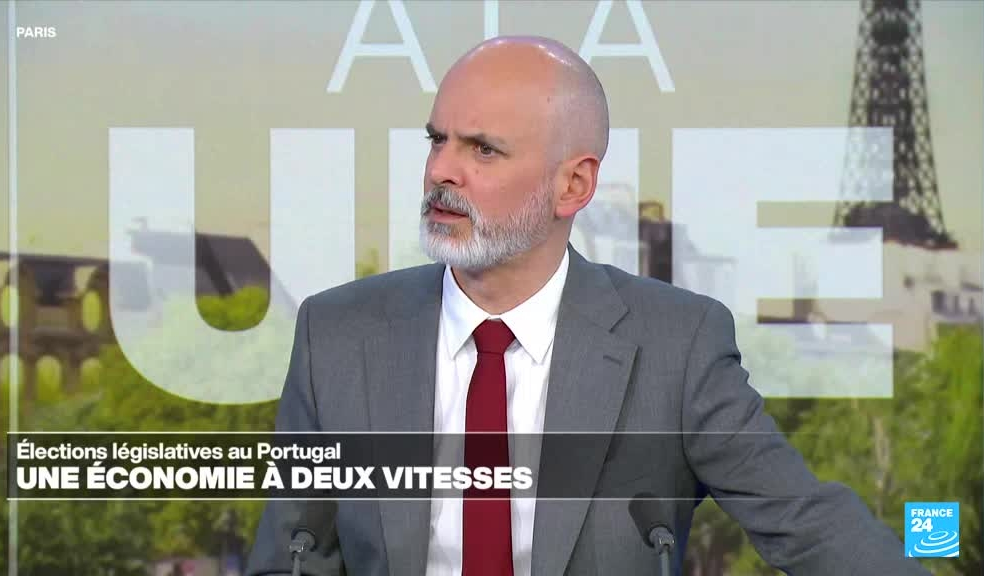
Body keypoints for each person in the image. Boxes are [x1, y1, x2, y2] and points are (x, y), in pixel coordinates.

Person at [246, 36, 929, 576]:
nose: (441, 171)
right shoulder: (338, 336)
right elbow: (292, 556)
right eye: (437, 139)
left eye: (483, 149)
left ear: (573, 185)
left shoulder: (676, 346)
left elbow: (805, 524)